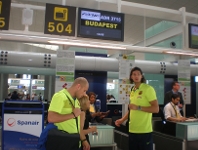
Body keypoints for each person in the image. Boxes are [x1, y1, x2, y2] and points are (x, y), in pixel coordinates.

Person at [115, 67, 159, 150]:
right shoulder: (133, 90)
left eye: (138, 74)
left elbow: (156, 109)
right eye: (134, 74)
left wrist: (138, 107)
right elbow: (132, 109)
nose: (136, 76)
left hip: (144, 131)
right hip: (132, 130)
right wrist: (122, 120)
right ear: (131, 77)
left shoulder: (148, 89)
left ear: (141, 76)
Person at [48, 77, 90, 150]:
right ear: (78, 86)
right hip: (64, 142)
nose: (84, 94)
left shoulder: (76, 100)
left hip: (75, 142)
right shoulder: (60, 96)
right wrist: (73, 115)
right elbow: (51, 118)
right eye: (84, 91)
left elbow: (77, 125)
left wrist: (83, 140)